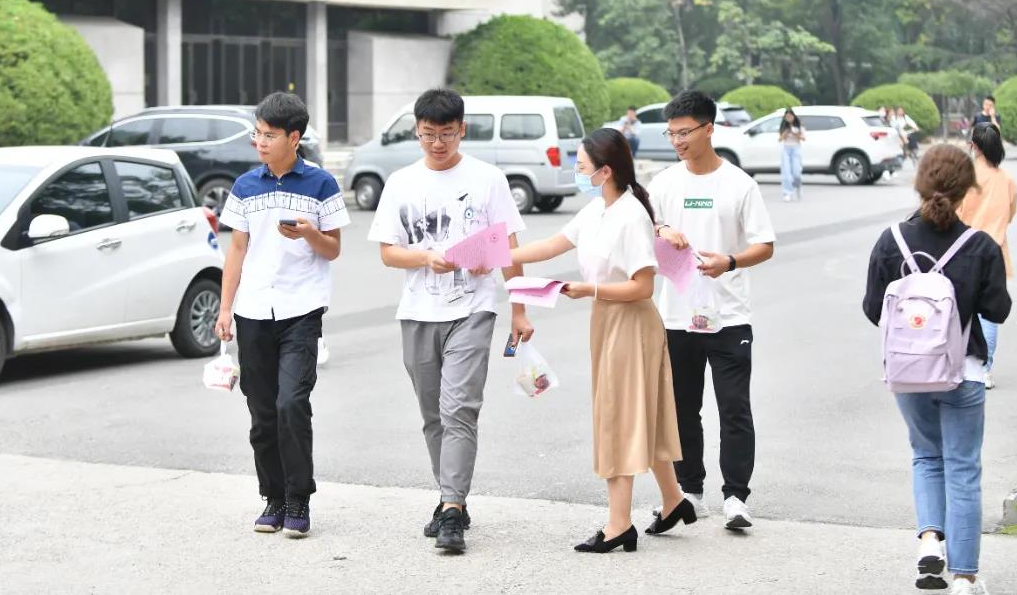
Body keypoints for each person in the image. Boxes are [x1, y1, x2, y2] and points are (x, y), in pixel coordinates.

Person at [510, 127, 693, 554]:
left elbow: (643, 287)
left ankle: (618, 525)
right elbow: (551, 245)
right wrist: (495, 256)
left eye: (581, 166)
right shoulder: (597, 209)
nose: (577, 172)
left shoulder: (631, 216)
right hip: (607, 319)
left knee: (617, 416)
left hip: (631, 323)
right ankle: (673, 501)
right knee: (642, 415)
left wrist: (589, 289)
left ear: (605, 171)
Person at [367, 88, 533, 554]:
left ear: (462, 130)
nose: (437, 143)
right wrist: (425, 257)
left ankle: (453, 509)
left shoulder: (488, 179)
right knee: (432, 414)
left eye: (446, 134)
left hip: (473, 309)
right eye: (428, 135)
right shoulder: (400, 182)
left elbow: (509, 247)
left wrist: (519, 307)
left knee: (459, 407)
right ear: (416, 132)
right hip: (418, 311)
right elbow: (388, 253)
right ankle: (449, 496)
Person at [863, 145, 1011, 594]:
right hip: (962, 371)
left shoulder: (891, 240)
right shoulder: (979, 245)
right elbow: (998, 310)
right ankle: (964, 576)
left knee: (926, 456)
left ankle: (930, 543)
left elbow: (873, 308)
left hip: (908, 373)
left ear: (919, 184)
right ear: (967, 190)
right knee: (963, 468)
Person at [214, 92, 351, 538]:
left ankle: (298, 498)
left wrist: (310, 233)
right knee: (261, 413)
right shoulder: (244, 186)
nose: (260, 142)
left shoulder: (321, 184)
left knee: (291, 403)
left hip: (301, 308)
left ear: (294, 137)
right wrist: (225, 308)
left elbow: (333, 249)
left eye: (269, 135)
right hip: (253, 310)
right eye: (257, 133)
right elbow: (237, 249)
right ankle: (272, 497)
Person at [647, 91, 776, 531]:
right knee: (683, 408)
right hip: (677, 315)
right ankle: (690, 492)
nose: (677, 141)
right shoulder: (664, 183)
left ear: (709, 129)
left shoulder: (739, 184)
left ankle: (736, 497)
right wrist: (662, 228)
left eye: (685, 132)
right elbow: (644, 227)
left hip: (729, 316)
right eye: (671, 134)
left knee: (734, 408)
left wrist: (731, 261)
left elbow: (765, 244)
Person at [958, 123, 1017, 390]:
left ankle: (960, 365)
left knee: (961, 310)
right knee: (989, 314)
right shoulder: (1007, 180)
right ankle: (985, 369)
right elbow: (1010, 214)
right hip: (995, 252)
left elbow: (955, 213)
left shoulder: (965, 177)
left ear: (974, 146)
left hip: (963, 250)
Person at [777, 108, 805, 201]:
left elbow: (803, 138)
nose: (788, 118)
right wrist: (784, 134)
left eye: (790, 116)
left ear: (793, 116)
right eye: (787, 117)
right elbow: (780, 139)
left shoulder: (799, 126)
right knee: (786, 171)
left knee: (796, 171)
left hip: (796, 149)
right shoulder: (783, 126)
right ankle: (787, 192)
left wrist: (795, 133)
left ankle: (797, 187)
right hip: (786, 149)